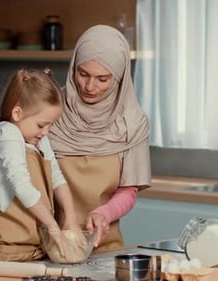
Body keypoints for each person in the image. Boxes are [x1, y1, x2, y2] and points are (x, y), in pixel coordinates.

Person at [49, 24, 151, 253]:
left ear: (119, 78)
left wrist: (105, 213)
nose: (89, 86)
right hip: (49, 246)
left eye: (102, 79)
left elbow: (129, 190)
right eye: (82, 73)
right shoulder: (49, 111)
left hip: (104, 247)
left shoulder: (132, 124)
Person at [0, 68, 81, 262]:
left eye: (51, 125)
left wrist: (71, 219)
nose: (46, 132)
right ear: (17, 113)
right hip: (4, 254)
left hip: (35, 252)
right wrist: (53, 227)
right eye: (42, 125)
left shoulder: (39, 141)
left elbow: (57, 179)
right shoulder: (6, 134)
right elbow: (21, 185)